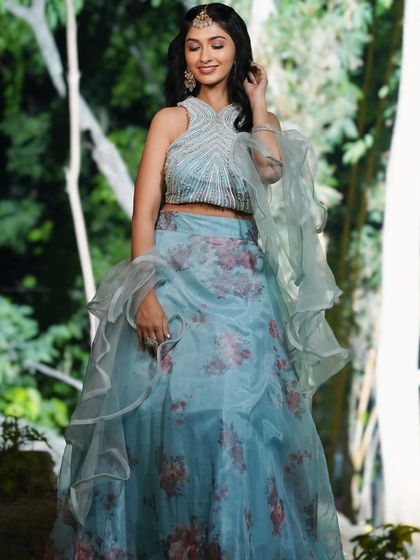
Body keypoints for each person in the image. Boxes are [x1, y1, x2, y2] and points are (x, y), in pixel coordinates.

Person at [47, 3, 351, 559]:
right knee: (162, 420)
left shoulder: (259, 121)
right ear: (183, 57)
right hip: (174, 278)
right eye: (194, 45)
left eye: (217, 44)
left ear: (237, 51)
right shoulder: (170, 120)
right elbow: (143, 213)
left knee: (237, 415)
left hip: (243, 288)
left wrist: (257, 101)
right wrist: (143, 293)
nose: (205, 55)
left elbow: (270, 170)